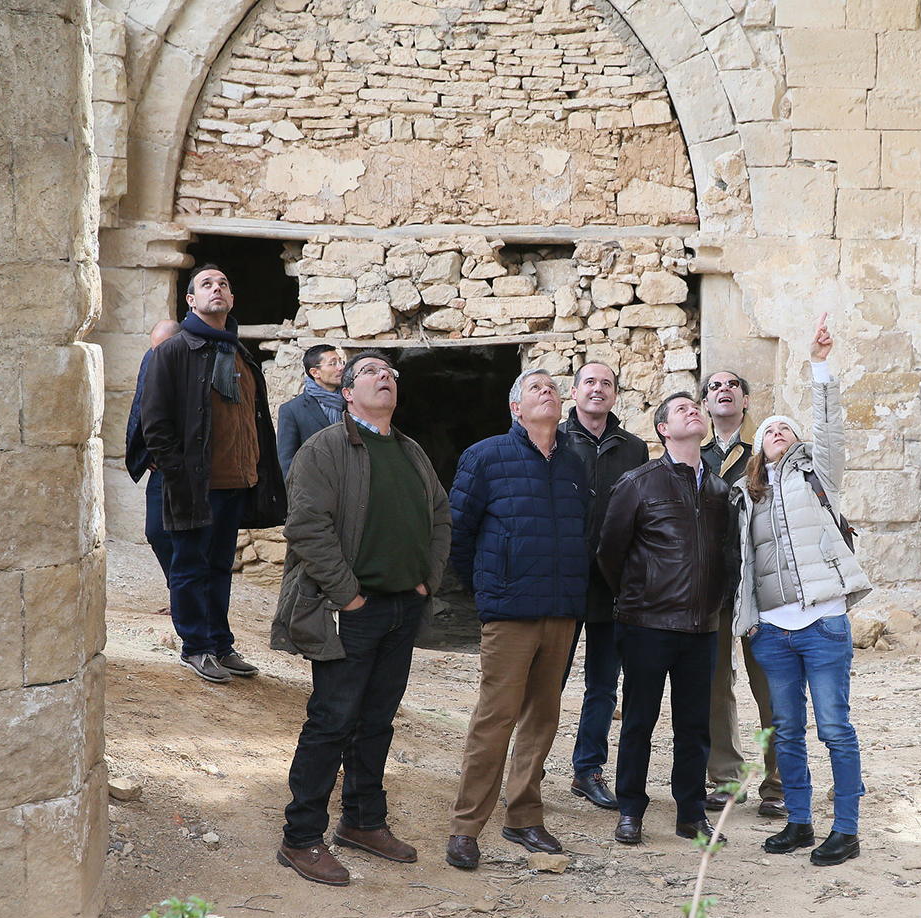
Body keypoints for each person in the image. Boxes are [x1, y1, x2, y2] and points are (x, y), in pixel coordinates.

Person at [271, 350, 451, 886]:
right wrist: (349, 597)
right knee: (332, 722)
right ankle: (301, 837)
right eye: (370, 372)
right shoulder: (324, 448)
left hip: (401, 608)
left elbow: (440, 515)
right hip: (352, 611)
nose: (384, 378)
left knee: (376, 721)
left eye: (390, 373)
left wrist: (426, 581)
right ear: (346, 392)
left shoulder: (410, 450)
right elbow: (306, 527)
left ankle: (362, 821)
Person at [732, 315, 872, 867]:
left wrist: (819, 364)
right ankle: (799, 819)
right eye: (769, 430)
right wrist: (750, 620)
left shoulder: (819, 474)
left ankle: (847, 827)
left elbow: (829, 425)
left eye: (787, 428)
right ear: (758, 448)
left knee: (834, 726)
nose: (779, 433)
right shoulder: (747, 496)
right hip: (772, 630)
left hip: (823, 623)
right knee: (785, 729)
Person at [445, 368, 590, 870]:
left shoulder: (574, 464)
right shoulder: (485, 456)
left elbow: (584, 535)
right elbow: (456, 535)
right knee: (495, 719)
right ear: (515, 407)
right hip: (509, 613)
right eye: (535, 387)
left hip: (562, 613)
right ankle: (466, 827)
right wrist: (488, 587)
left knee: (541, 719)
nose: (547, 391)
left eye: (553, 386)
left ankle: (524, 817)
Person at [142, 262, 286, 684]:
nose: (217, 288)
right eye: (206, 284)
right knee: (189, 567)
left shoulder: (240, 356)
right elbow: (155, 423)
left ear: (232, 299)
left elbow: (253, 422)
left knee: (220, 567)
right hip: (195, 484)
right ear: (191, 300)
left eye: (224, 283)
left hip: (235, 483)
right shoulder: (173, 351)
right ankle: (196, 647)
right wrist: (178, 474)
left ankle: (221, 645)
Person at [596, 393, 731, 847]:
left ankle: (691, 815)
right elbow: (609, 553)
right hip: (647, 625)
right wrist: (639, 599)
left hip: (702, 629)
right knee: (639, 721)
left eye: (697, 407)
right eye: (681, 410)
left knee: (694, 727)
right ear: (663, 430)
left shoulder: (717, 489)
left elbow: (726, 554)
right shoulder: (638, 483)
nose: (694, 410)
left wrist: (713, 602)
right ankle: (630, 810)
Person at [557, 361, 649, 810]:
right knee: (546, 681)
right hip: (561, 583)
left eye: (606, 384)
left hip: (613, 585)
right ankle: (528, 768)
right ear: (574, 392)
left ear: (615, 395)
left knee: (602, 685)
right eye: (589, 382)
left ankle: (587, 769)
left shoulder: (634, 449)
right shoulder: (553, 439)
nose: (598, 390)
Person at [699, 369, 785, 818]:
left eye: (732, 384)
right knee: (715, 684)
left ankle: (779, 782)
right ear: (705, 404)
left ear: (746, 401)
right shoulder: (694, 455)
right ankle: (727, 779)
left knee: (770, 684)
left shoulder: (764, 454)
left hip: (760, 585)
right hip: (711, 584)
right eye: (714, 387)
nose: (723, 390)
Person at [126, 318, 180, 584]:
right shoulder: (153, 358)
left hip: (189, 464)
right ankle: (178, 592)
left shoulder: (193, 363)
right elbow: (142, 405)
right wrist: (146, 451)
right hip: (161, 466)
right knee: (156, 531)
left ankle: (187, 599)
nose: (156, 354)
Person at [277, 344, 346, 476]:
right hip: (316, 487)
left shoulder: (353, 402)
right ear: (315, 372)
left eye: (340, 362)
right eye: (332, 364)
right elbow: (287, 462)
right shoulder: (292, 410)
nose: (341, 367)